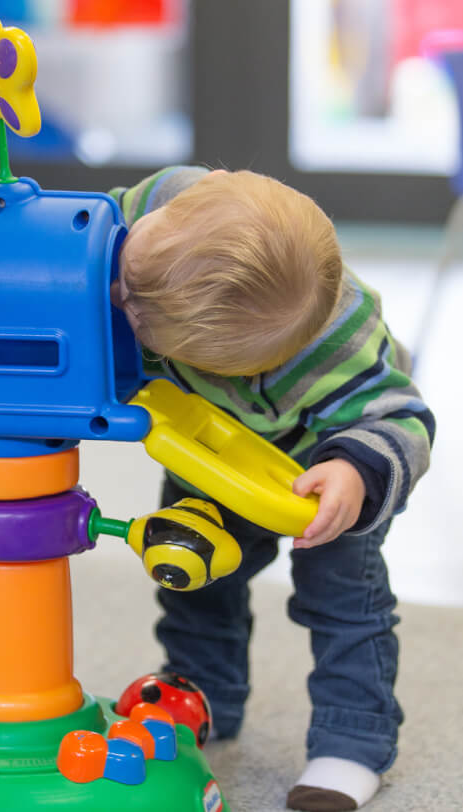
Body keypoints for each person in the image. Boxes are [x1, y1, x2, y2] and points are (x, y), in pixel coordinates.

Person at [108, 167, 435, 812]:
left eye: (141, 318)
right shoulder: (165, 204)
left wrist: (352, 476)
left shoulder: (332, 345)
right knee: (193, 571)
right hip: (214, 448)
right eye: (128, 275)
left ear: (248, 363)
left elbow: (402, 419)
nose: (120, 297)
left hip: (329, 473)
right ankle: (202, 694)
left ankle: (353, 739)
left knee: (343, 603)